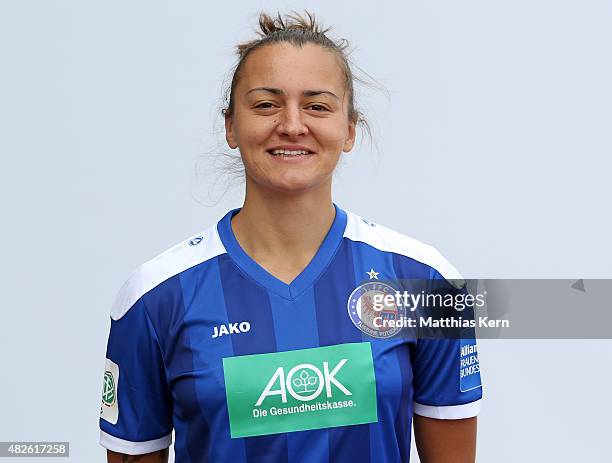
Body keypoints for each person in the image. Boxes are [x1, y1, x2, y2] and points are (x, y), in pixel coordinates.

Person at [99, 10, 482, 463]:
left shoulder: (428, 282)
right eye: (266, 104)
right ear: (230, 126)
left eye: (317, 105)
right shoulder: (154, 296)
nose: (292, 125)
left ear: (350, 129)